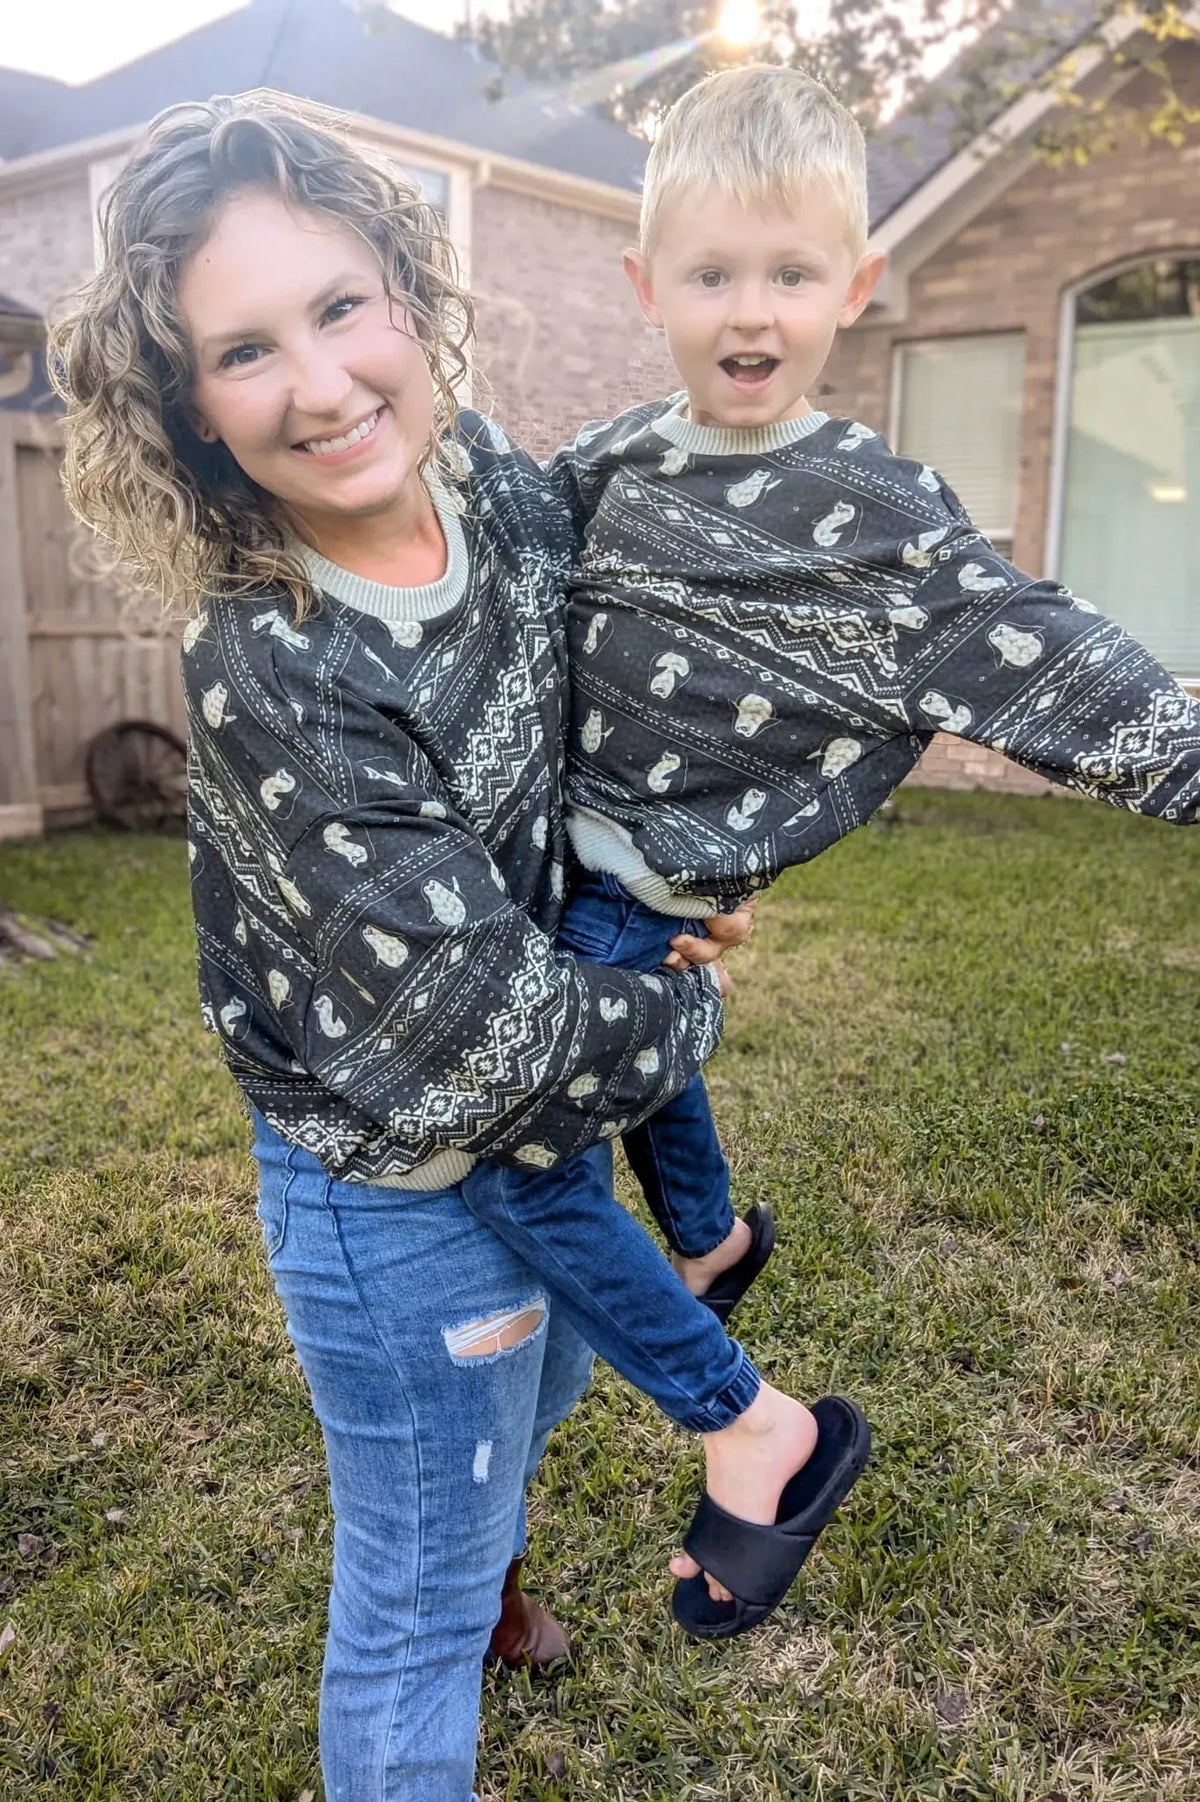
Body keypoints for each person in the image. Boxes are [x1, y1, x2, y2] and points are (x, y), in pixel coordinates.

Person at [49, 89, 869, 1802]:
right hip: (397, 1184)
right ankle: (460, 1586)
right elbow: (489, 1052)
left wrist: (677, 849)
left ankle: (484, 1555)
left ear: (412, 299)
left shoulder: (488, 478)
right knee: (403, 1606)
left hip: (542, 1130)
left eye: (343, 306)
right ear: (189, 411)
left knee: (532, 1407)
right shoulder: (274, 664)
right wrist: (677, 999)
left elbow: (626, 642)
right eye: (244, 349)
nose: (327, 383)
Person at [484, 60, 1200, 1631]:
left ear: (855, 285)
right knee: (630, 1058)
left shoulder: (879, 517)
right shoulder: (603, 471)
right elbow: (492, 616)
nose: (754, 310)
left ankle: (760, 1434)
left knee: (513, 1167)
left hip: (641, 894)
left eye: (794, 272)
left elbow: (1048, 654)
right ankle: (714, 1232)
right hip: (558, 879)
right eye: (714, 273)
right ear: (645, 283)